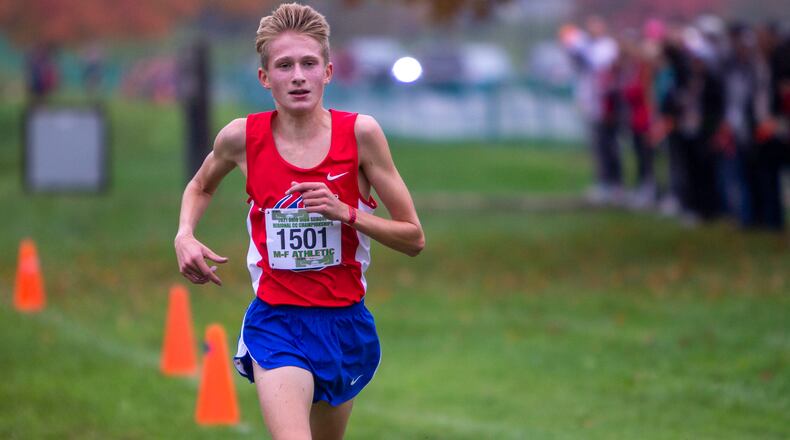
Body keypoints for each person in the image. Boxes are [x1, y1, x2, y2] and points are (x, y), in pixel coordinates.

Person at [173, 3, 425, 439]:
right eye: (284, 65)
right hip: (277, 322)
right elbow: (200, 185)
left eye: (309, 64)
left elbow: (413, 237)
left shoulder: (361, 136)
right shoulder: (242, 138)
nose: (298, 77)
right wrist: (185, 234)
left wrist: (347, 213)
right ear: (264, 77)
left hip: (344, 324)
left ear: (328, 72)